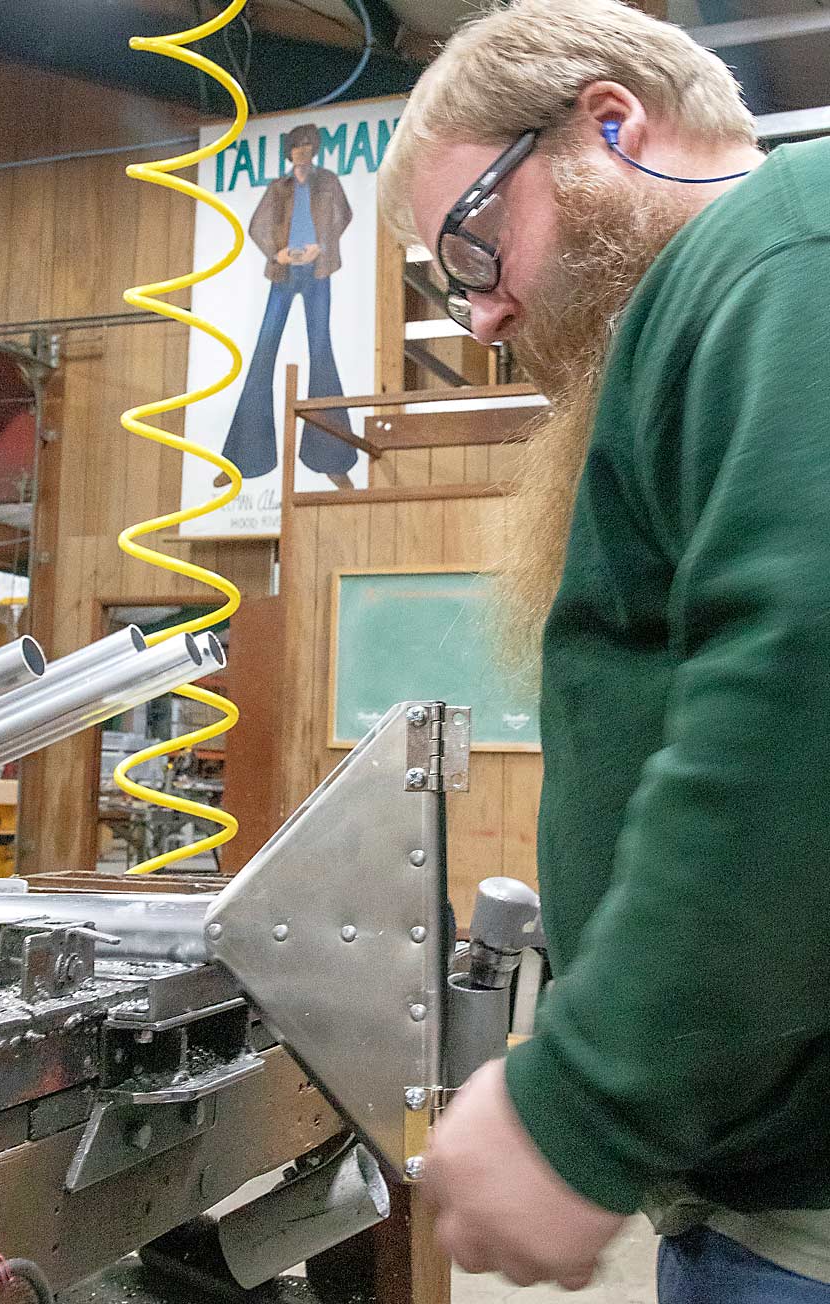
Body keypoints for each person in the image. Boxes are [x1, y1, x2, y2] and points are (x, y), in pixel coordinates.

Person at [378, 0, 830, 1299]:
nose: (481, 310)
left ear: (611, 126)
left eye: (476, 242)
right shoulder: (723, 319)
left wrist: (586, 1105)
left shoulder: (781, 249)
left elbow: (802, 686)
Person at [214, 122, 358, 492]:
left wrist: (322, 247)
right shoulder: (278, 188)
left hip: (318, 272)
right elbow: (256, 226)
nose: (303, 151)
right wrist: (277, 252)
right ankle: (242, 460)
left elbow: (344, 215)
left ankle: (332, 460)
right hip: (283, 274)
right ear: (289, 152)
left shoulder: (328, 182)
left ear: (316, 150)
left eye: (308, 145)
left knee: (321, 353)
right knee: (263, 354)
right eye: (297, 147)